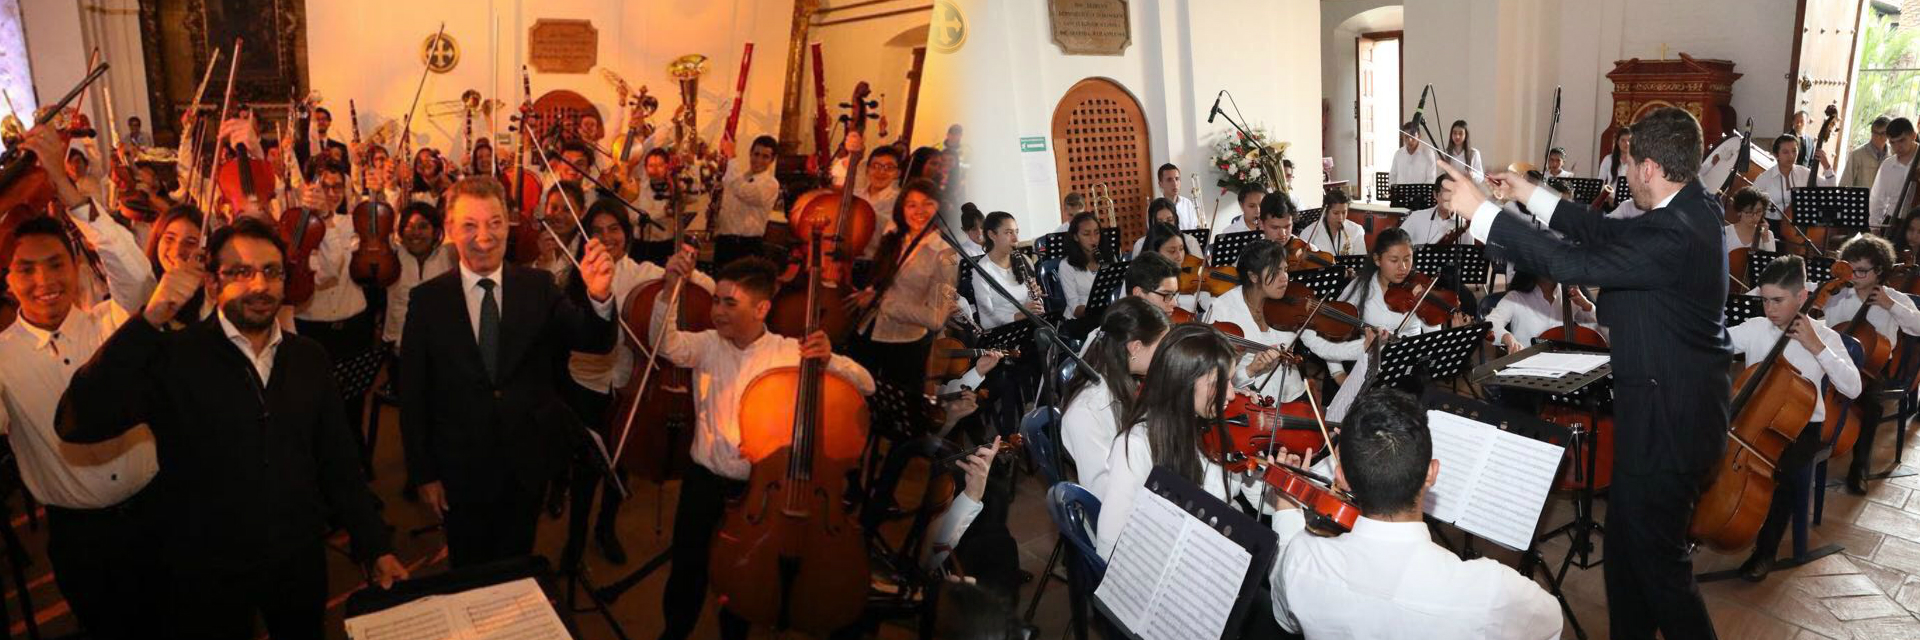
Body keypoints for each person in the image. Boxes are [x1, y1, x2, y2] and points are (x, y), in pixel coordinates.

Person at [1437, 106, 1732, 639]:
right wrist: (1528, 193)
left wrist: (1482, 213)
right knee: (1625, 558)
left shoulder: (1676, 234)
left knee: (1661, 571)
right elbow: (1600, 230)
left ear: (1648, 168)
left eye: (1628, 164)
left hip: (1671, 427)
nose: (1625, 174)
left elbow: (1570, 264)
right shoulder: (1692, 205)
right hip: (1660, 411)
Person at [61, 217, 406, 639]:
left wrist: (375, 545)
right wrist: (147, 320)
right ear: (211, 283)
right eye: (240, 272)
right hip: (208, 568)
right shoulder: (175, 357)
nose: (259, 285)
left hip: (297, 558)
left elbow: (338, 461)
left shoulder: (308, 358)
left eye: (271, 271)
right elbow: (78, 421)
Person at [649, 251, 876, 640]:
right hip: (703, 480)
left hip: (755, 490)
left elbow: (866, 384)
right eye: (716, 301)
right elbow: (664, 344)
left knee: (742, 573)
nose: (717, 311)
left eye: (729, 303)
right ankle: (675, 631)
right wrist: (670, 290)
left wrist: (830, 360)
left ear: (762, 309)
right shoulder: (708, 345)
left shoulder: (787, 352)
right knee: (687, 567)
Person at [399, 176, 619, 569]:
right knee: (468, 569)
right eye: (469, 225)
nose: (484, 237)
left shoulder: (539, 286)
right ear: (449, 229)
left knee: (517, 564)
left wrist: (599, 296)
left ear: (509, 224)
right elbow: (413, 395)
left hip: (526, 464)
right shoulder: (427, 301)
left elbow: (593, 340)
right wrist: (424, 473)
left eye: (495, 223)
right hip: (459, 468)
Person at [0, 125, 160, 640]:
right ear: (8, 281)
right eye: (26, 270)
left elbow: (138, 278)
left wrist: (66, 187)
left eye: (56, 265)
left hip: (158, 511)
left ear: (75, 267)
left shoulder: (110, 322)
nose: (44, 281)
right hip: (81, 537)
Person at [1267, 388, 1563, 639]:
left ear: (1341, 476)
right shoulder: (1490, 591)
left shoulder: (1300, 562)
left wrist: (1286, 503)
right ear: (1431, 473)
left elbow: (1284, 616)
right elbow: (1551, 623)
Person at [560, 199, 715, 565]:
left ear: (627, 234)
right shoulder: (575, 275)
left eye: (614, 229)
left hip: (631, 385)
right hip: (587, 383)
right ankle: (575, 540)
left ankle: (606, 528)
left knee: (622, 465)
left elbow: (706, 286)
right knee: (585, 470)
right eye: (597, 231)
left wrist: (683, 272)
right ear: (586, 237)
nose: (607, 238)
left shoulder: (646, 273)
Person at [1732, 255, 1862, 580]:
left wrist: (1817, 347)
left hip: (1801, 427)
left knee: (1784, 474)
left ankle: (1766, 552)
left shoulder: (1825, 337)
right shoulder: (1755, 328)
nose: (1770, 309)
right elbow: (1712, 342)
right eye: (1765, 300)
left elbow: (1853, 387)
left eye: (1778, 300)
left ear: (1802, 296)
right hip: (1752, 421)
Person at [1093, 323, 1253, 559]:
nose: (1231, 394)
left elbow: (1229, 499)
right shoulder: (1137, 445)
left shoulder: (1206, 426)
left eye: (1231, 381)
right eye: (1218, 384)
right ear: (1183, 383)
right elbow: (1109, 542)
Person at [1204, 240, 1370, 402]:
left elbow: (1322, 347)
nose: (1284, 278)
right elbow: (1211, 378)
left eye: (1285, 269)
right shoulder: (1221, 310)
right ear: (1253, 276)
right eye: (1275, 272)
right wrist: (1250, 370)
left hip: (1294, 393)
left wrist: (1365, 345)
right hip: (1248, 399)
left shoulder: (1292, 301)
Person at [1823, 233, 1920, 493]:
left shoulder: (1893, 297)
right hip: (1835, 361)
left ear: (1879, 271)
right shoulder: (1838, 294)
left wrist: (1891, 306)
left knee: (1872, 405)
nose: (1854, 276)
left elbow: (1917, 325)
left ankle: (1859, 466)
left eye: (1862, 271)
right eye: (1849, 269)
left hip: (1872, 368)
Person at [849, 178, 956, 391]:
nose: (919, 211)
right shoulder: (894, 238)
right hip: (867, 330)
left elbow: (936, 318)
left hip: (904, 345)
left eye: (928, 204)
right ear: (902, 209)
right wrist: (868, 292)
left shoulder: (945, 255)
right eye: (911, 205)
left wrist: (882, 304)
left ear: (940, 208)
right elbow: (881, 281)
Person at [1060, 297, 1169, 497]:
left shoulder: (1127, 378)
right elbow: (1102, 491)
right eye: (1161, 348)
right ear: (1135, 347)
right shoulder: (1086, 412)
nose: (1166, 356)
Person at [383, 202, 456, 350]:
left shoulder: (449, 255)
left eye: (423, 226)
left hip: (439, 345)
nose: (415, 232)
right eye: (409, 227)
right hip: (398, 345)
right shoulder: (391, 256)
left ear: (435, 232)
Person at [712, 135, 783, 269]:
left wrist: (732, 157)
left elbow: (743, 191)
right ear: (750, 154)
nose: (759, 160)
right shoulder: (740, 178)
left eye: (765, 157)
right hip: (724, 243)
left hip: (746, 246)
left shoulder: (770, 183)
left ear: (772, 160)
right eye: (756, 154)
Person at [1486, 271, 1598, 352]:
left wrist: (1586, 306)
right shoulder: (1515, 297)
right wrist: (1507, 337)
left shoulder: (1571, 295)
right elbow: (1489, 324)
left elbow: (1600, 333)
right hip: (1528, 367)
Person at [971, 211, 1045, 330]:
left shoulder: (1024, 260)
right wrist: (1018, 316)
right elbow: (987, 321)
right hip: (1005, 332)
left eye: (1016, 232)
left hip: (1030, 326)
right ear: (992, 235)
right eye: (1009, 233)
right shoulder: (982, 270)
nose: (1016, 239)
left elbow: (1033, 303)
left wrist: (1037, 300)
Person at [1754, 134, 1837, 224]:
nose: (1791, 156)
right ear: (1776, 155)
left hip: (1799, 225)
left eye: (1794, 151)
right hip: (1772, 226)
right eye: (1785, 152)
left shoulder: (1804, 172)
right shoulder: (1764, 178)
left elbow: (1831, 187)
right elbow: (1750, 203)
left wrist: (1826, 165)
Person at [856, 145, 906, 269]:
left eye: (889, 168)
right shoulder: (854, 195)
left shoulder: (901, 202)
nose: (881, 172)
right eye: (876, 166)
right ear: (867, 170)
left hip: (876, 265)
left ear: (898, 173)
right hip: (846, 260)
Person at [1139, 221, 1199, 315]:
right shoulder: (1138, 276)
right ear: (1155, 252)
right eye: (1172, 251)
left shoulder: (1192, 274)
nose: (1179, 256)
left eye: (1181, 249)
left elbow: (1212, 305)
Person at [1868, 117, 1918, 229]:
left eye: (1902, 140)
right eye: (1892, 142)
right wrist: (1875, 227)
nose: (1897, 147)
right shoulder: (1887, 165)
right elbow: (1877, 199)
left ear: (1913, 136)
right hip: (1892, 223)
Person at [1399, 174, 1474, 246]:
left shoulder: (1464, 224)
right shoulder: (1416, 217)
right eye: (1445, 195)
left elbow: (1469, 252)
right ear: (1435, 194)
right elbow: (1397, 243)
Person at [1057, 211, 1107, 319]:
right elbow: (1075, 308)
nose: (1093, 239)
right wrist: (1099, 309)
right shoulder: (1066, 265)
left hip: (1108, 315)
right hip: (1081, 319)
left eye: (1097, 233)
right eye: (1086, 234)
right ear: (1075, 237)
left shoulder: (1108, 258)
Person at [1129, 198, 1204, 258]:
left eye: (1169, 220)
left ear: (1175, 220)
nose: (1165, 226)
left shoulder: (1190, 242)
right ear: (1151, 222)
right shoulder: (1140, 245)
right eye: (1159, 222)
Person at [1299, 190, 1366, 255]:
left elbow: (1362, 258)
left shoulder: (1357, 230)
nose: (1340, 218)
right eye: (1336, 213)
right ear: (1325, 211)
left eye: (1344, 212)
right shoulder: (1308, 233)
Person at [1723, 187, 1778, 257]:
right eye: (1749, 212)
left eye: (1759, 212)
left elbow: (1772, 262)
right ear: (1739, 211)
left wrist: (1765, 238)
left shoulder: (1767, 234)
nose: (1754, 217)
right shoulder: (1725, 233)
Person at [1842, 116, 1891, 189]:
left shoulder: (1893, 155)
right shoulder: (1857, 154)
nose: (1878, 136)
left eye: (1882, 133)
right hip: (1862, 196)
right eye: (1875, 133)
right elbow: (1845, 183)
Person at [1389, 121, 1437, 186]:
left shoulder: (1428, 153)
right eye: (1406, 137)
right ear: (1403, 137)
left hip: (1421, 192)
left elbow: (1431, 179)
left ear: (1419, 136)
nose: (1410, 140)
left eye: (1412, 136)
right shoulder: (1398, 154)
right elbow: (1392, 177)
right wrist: (1394, 189)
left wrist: (1420, 191)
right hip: (1401, 192)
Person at [1155, 163, 1201, 230]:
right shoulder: (1154, 207)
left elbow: (1194, 228)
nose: (1175, 183)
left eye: (1177, 179)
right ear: (1160, 184)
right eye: (1169, 180)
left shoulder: (1187, 204)